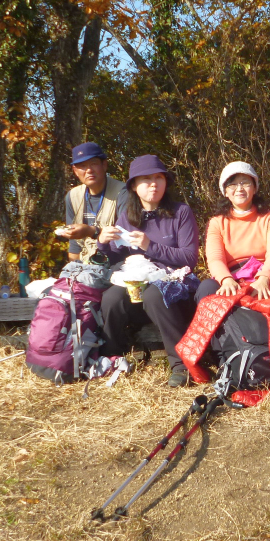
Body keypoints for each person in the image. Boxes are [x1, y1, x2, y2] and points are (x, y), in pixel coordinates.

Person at [94, 155, 199, 387]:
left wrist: (149, 246)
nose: (153, 184)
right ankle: (113, 356)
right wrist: (102, 243)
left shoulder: (180, 213)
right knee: (111, 297)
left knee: (155, 293)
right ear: (133, 185)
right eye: (146, 179)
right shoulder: (128, 217)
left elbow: (189, 259)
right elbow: (114, 258)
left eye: (158, 178)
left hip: (177, 286)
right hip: (138, 287)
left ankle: (181, 364)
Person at [195, 162, 270, 303]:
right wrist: (226, 279)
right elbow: (215, 258)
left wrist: (264, 279)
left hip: (264, 276)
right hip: (231, 276)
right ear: (225, 191)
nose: (239, 188)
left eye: (245, 183)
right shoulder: (217, 222)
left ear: (255, 188)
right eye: (232, 184)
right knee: (206, 288)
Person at [57, 142, 129, 262]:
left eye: (94, 164)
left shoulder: (122, 192)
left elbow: (125, 237)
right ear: (75, 171)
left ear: (104, 165)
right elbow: (74, 244)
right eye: (82, 166)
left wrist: (91, 231)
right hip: (85, 263)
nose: (89, 170)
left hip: (115, 263)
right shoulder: (73, 196)